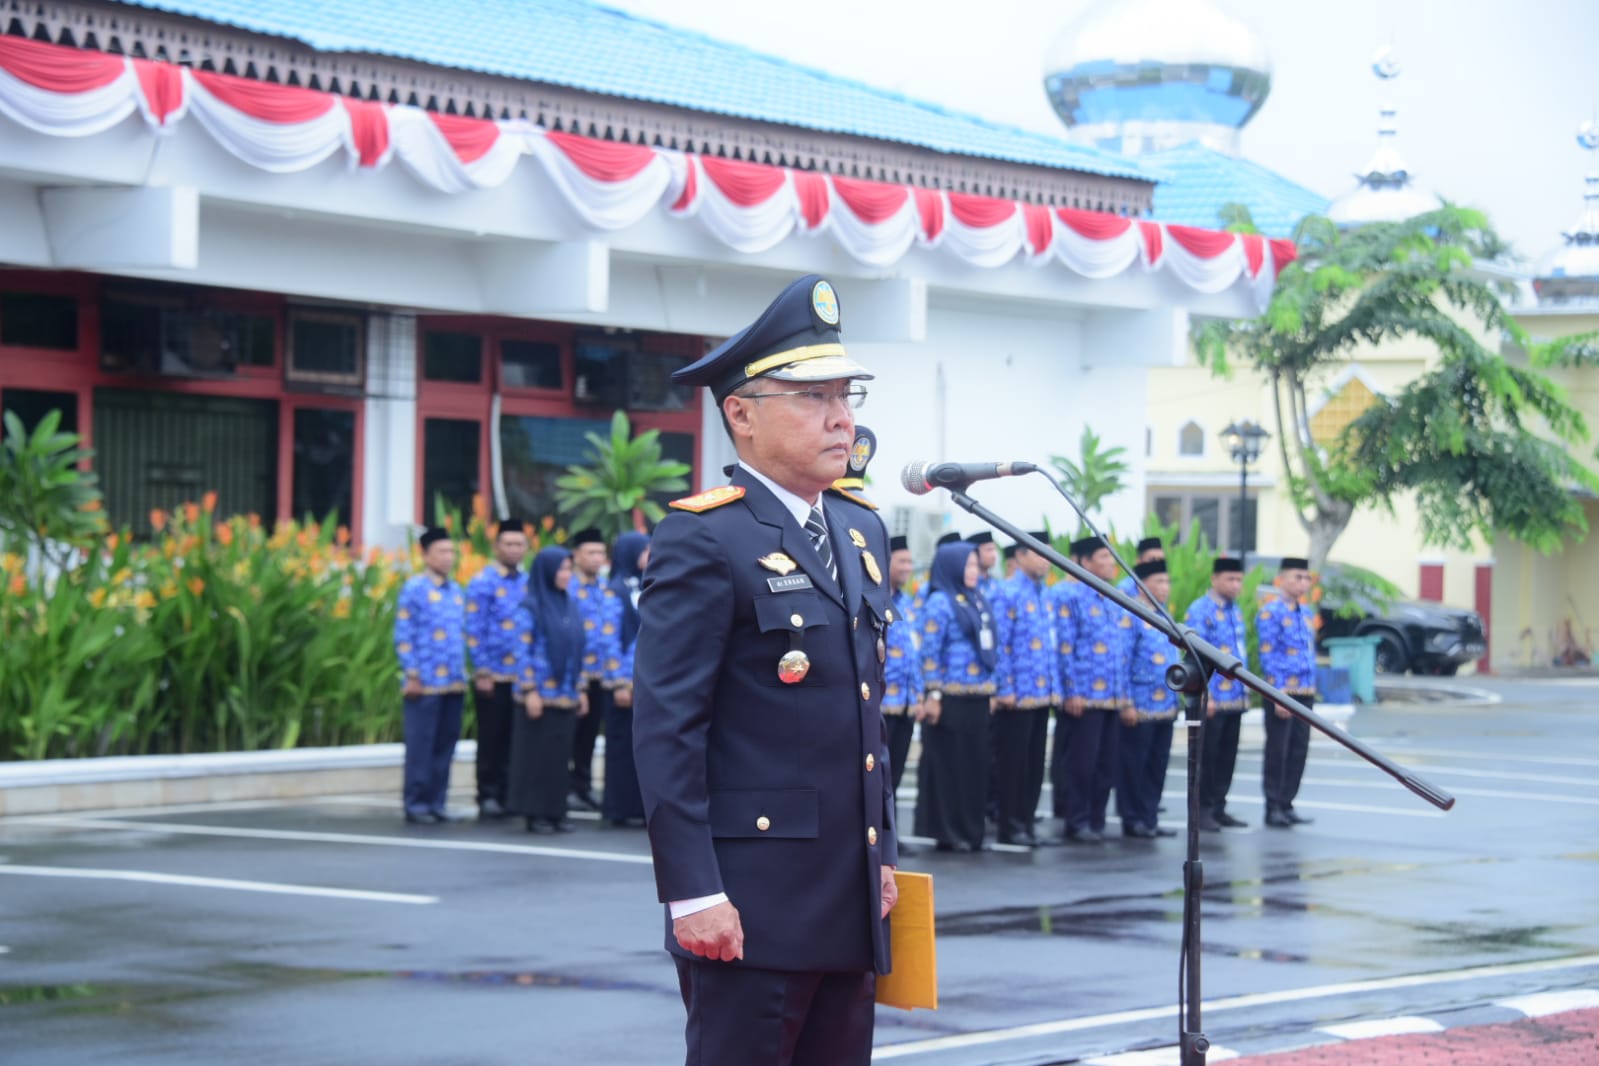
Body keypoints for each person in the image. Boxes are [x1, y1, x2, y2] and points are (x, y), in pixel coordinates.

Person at [632, 273, 897, 1066]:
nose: (840, 415)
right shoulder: (704, 539)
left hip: (848, 896)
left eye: (845, 395)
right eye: (811, 396)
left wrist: (881, 857)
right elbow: (666, 728)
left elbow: (862, 715)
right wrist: (694, 891)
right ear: (740, 415)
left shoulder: (859, 529)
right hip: (749, 903)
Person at [1046, 535, 1131, 843]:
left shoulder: (1113, 596)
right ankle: (1076, 819)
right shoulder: (1069, 595)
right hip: (1084, 695)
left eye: (1111, 557)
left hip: (1111, 695)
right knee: (1081, 763)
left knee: (1106, 763)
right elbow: (1065, 647)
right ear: (1083, 562)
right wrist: (1071, 691)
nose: (1110, 563)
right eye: (1103, 557)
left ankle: (1096, 819)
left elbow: (1119, 648)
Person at [916, 540, 999, 852]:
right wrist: (933, 693)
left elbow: (991, 648)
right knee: (952, 767)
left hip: (978, 696)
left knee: (976, 766)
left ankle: (972, 831)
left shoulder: (977, 599)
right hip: (950, 698)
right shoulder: (940, 602)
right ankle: (950, 832)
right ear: (952, 567)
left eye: (976, 565)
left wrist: (993, 688)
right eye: (969, 565)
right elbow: (930, 650)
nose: (975, 571)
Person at [508, 546, 589, 834]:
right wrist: (529, 689)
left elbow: (579, 648)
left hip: (565, 695)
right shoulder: (530, 607)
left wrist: (580, 689)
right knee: (536, 757)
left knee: (559, 757)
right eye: (562, 569)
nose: (567, 575)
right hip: (539, 696)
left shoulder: (569, 604)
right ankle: (535, 813)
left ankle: (556, 811)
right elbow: (521, 651)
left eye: (569, 569)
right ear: (547, 571)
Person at [393, 527, 468, 825]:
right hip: (423, 683)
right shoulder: (414, 588)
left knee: (445, 745)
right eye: (442, 552)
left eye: (451, 552)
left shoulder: (456, 591)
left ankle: (438, 801)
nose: (448, 558)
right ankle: (416, 802)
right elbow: (404, 634)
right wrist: (411, 672)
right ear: (425, 555)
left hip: (453, 680)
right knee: (420, 745)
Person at [990, 531, 1059, 847]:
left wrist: (1054, 687)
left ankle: (1027, 822)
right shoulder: (1007, 593)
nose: (1045, 559)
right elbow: (1000, 644)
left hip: (1040, 693)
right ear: (1019, 556)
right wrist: (1003, 687)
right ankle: (1011, 824)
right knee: (1013, 765)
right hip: (1015, 696)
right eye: (1037, 553)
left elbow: (1051, 646)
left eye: (1047, 553)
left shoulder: (1043, 594)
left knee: (1034, 764)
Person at [464, 517, 531, 821]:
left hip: (521, 676)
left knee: (516, 738)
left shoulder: (528, 582)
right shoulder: (483, 582)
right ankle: (488, 794)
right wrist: (482, 671)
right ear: (496, 547)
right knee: (492, 736)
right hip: (493, 674)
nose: (515, 550)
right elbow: (474, 629)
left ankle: (509, 793)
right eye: (509, 544)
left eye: (520, 544)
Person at [1184, 557, 1250, 831]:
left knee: (1227, 756)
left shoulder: (1235, 611)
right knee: (1206, 758)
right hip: (1212, 697)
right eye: (1230, 579)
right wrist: (1202, 694)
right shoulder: (1201, 610)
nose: (1236, 585)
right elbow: (1196, 655)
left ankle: (1219, 806)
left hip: (1234, 696)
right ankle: (1203, 810)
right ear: (1215, 579)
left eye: (1239, 580)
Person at [1118, 559, 1179, 839]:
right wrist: (1126, 702)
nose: (1165, 588)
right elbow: (1122, 660)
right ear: (1143, 585)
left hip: (1165, 705)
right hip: (1140, 705)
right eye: (1159, 582)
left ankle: (1150, 816)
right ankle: (1132, 818)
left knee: (1157, 765)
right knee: (1134, 765)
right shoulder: (1130, 614)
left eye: (1167, 582)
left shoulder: (1165, 616)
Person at [1258, 556, 1318, 828]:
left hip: (1305, 690)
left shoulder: (1306, 613)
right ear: (1281, 579)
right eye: (1297, 577)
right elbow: (1268, 654)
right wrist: (1276, 692)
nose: (1303, 583)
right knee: (1278, 749)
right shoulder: (1271, 611)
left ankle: (1287, 803)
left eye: (1306, 578)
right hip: (1281, 691)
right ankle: (1272, 806)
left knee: (1298, 749)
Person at [602, 530, 650, 827]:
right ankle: (618, 807)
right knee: (621, 746)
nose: (650, 556)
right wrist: (620, 681)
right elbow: (608, 640)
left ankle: (638, 806)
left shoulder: (646, 585)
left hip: (644, 682)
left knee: (642, 747)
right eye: (645, 550)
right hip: (623, 682)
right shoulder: (615, 590)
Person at [566, 528, 616, 814]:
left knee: (588, 736)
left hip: (602, 675)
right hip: (574, 676)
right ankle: (565, 787)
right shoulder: (568, 589)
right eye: (591, 553)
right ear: (576, 556)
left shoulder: (605, 589)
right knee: (569, 735)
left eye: (601, 553)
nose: (597, 559)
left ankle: (582, 786)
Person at [882, 534, 923, 799]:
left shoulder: (908, 603)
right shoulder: (873, 599)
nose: (907, 568)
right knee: (879, 774)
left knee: (895, 775)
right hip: (882, 703)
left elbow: (916, 652)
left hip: (907, 703)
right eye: (902, 561)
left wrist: (919, 695)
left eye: (910, 562)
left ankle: (892, 835)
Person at [967, 530, 999, 597]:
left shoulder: (997, 583)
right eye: (989, 550)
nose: (994, 555)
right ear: (975, 553)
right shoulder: (968, 584)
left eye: (994, 550)